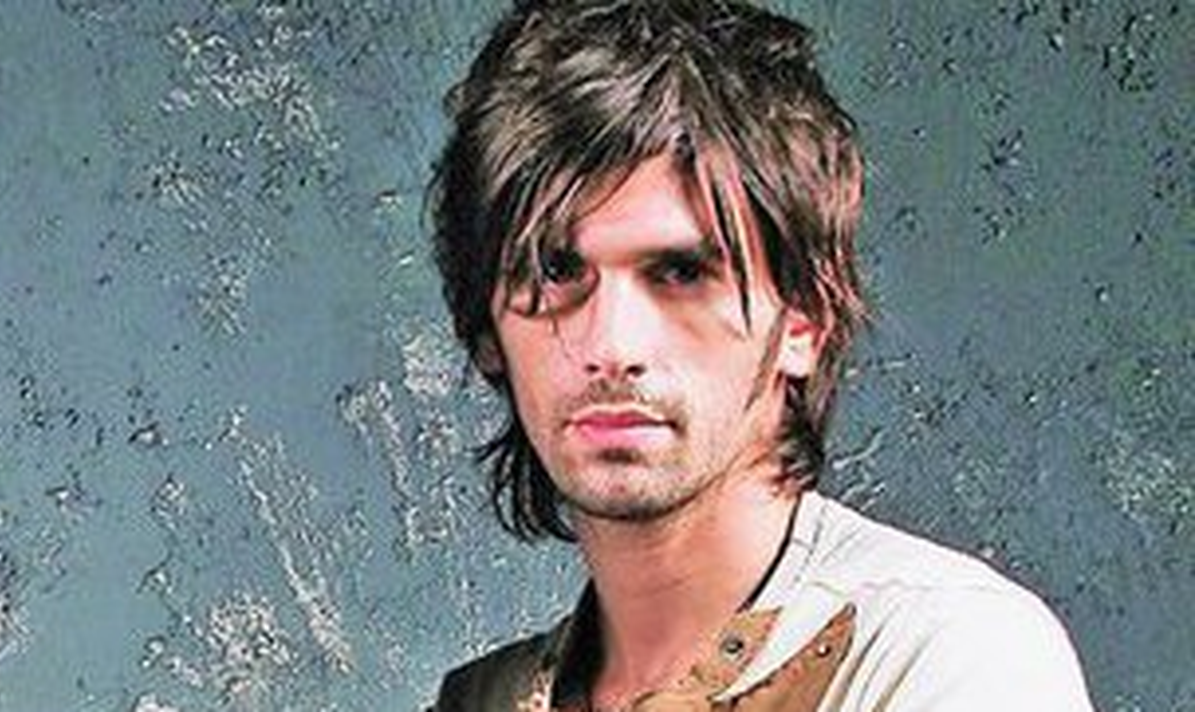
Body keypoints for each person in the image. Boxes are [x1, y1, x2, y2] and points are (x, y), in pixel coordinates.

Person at [427, 1, 1094, 710]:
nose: (612, 346)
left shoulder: (949, 651)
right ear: (488, 330)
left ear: (804, 320)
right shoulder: (483, 699)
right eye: (557, 272)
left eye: (681, 272)